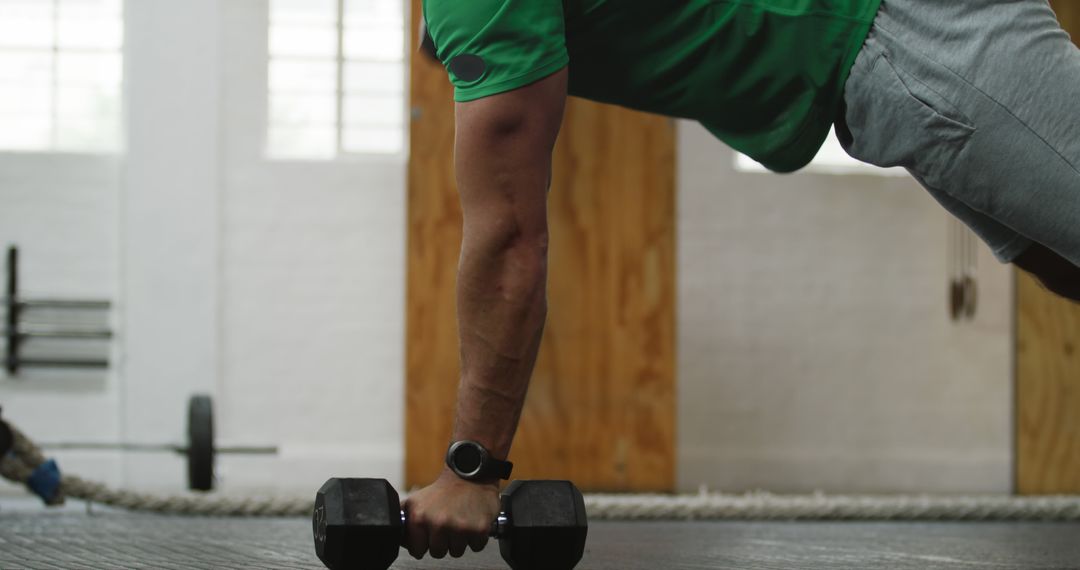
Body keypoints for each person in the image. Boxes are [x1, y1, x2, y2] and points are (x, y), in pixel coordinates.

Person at [401, 0, 1080, 560]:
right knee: (1063, 263)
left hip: (911, 30)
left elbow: (511, 241)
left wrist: (474, 468)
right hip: (888, 50)